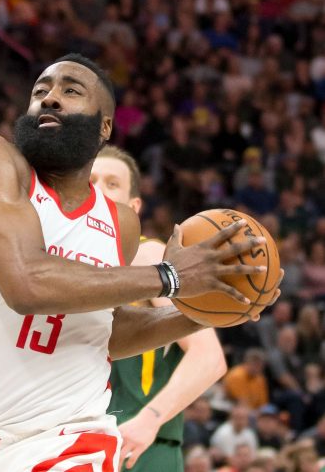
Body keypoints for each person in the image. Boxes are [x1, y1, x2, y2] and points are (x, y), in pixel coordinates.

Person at [0, 53, 280, 471]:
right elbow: (25, 283)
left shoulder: (121, 222)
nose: (50, 99)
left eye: (70, 91)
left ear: (105, 126)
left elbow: (104, 331)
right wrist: (169, 278)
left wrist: (209, 312)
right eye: (40, 91)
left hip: (72, 435)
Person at [92, 145, 227, 472]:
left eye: (112, 184)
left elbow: (209, 358)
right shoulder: (57, 263)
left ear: (133, 206)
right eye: (90, 180)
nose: (98, 190)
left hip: (138, 446)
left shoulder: (148, 257)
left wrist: (150, 420)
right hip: (71, 442)